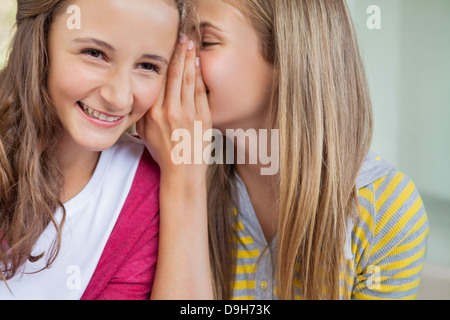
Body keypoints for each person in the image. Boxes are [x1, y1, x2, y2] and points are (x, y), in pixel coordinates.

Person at [177, 0, 429, 300]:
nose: (178, 58)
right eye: (178, 39)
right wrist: (181, 181)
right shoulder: (170, 178)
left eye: (205, 42)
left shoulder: (385, 209)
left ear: (288, 56)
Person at [0, 0, 212, 300]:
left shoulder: (145, 190)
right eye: (95, 53)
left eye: (147, 66)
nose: (120, 97)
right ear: (39, 40)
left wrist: (186, 180)